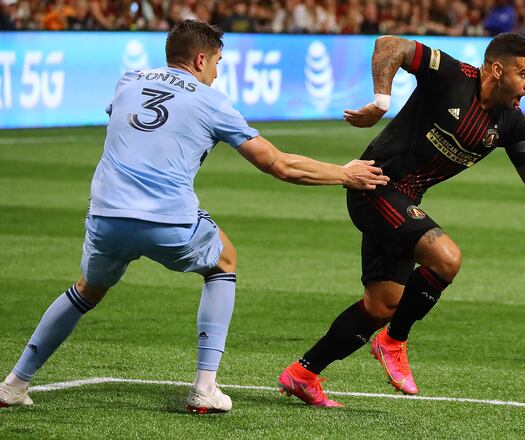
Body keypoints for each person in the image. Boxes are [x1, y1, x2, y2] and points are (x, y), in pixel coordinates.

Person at [0, 20, 388, 413]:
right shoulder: (211, 102)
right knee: (224, 261)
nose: (217, 73)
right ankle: (204, 388)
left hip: (106, 216)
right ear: (201, 59)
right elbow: (279, 165)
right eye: (217, 63)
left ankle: (15, 383)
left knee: (86, 290)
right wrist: (344, 173)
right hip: (167, 219)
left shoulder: (128, 80)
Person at [277, 33, 525, 407]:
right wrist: (382, 101)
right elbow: (390, 45)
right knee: (446, 258)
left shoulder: (510, 122)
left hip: (403, 201)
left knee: (382, 304)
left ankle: (303, 373)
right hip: (374, 185)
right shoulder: (450, 76)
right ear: (497, 70)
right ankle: (393, 341)